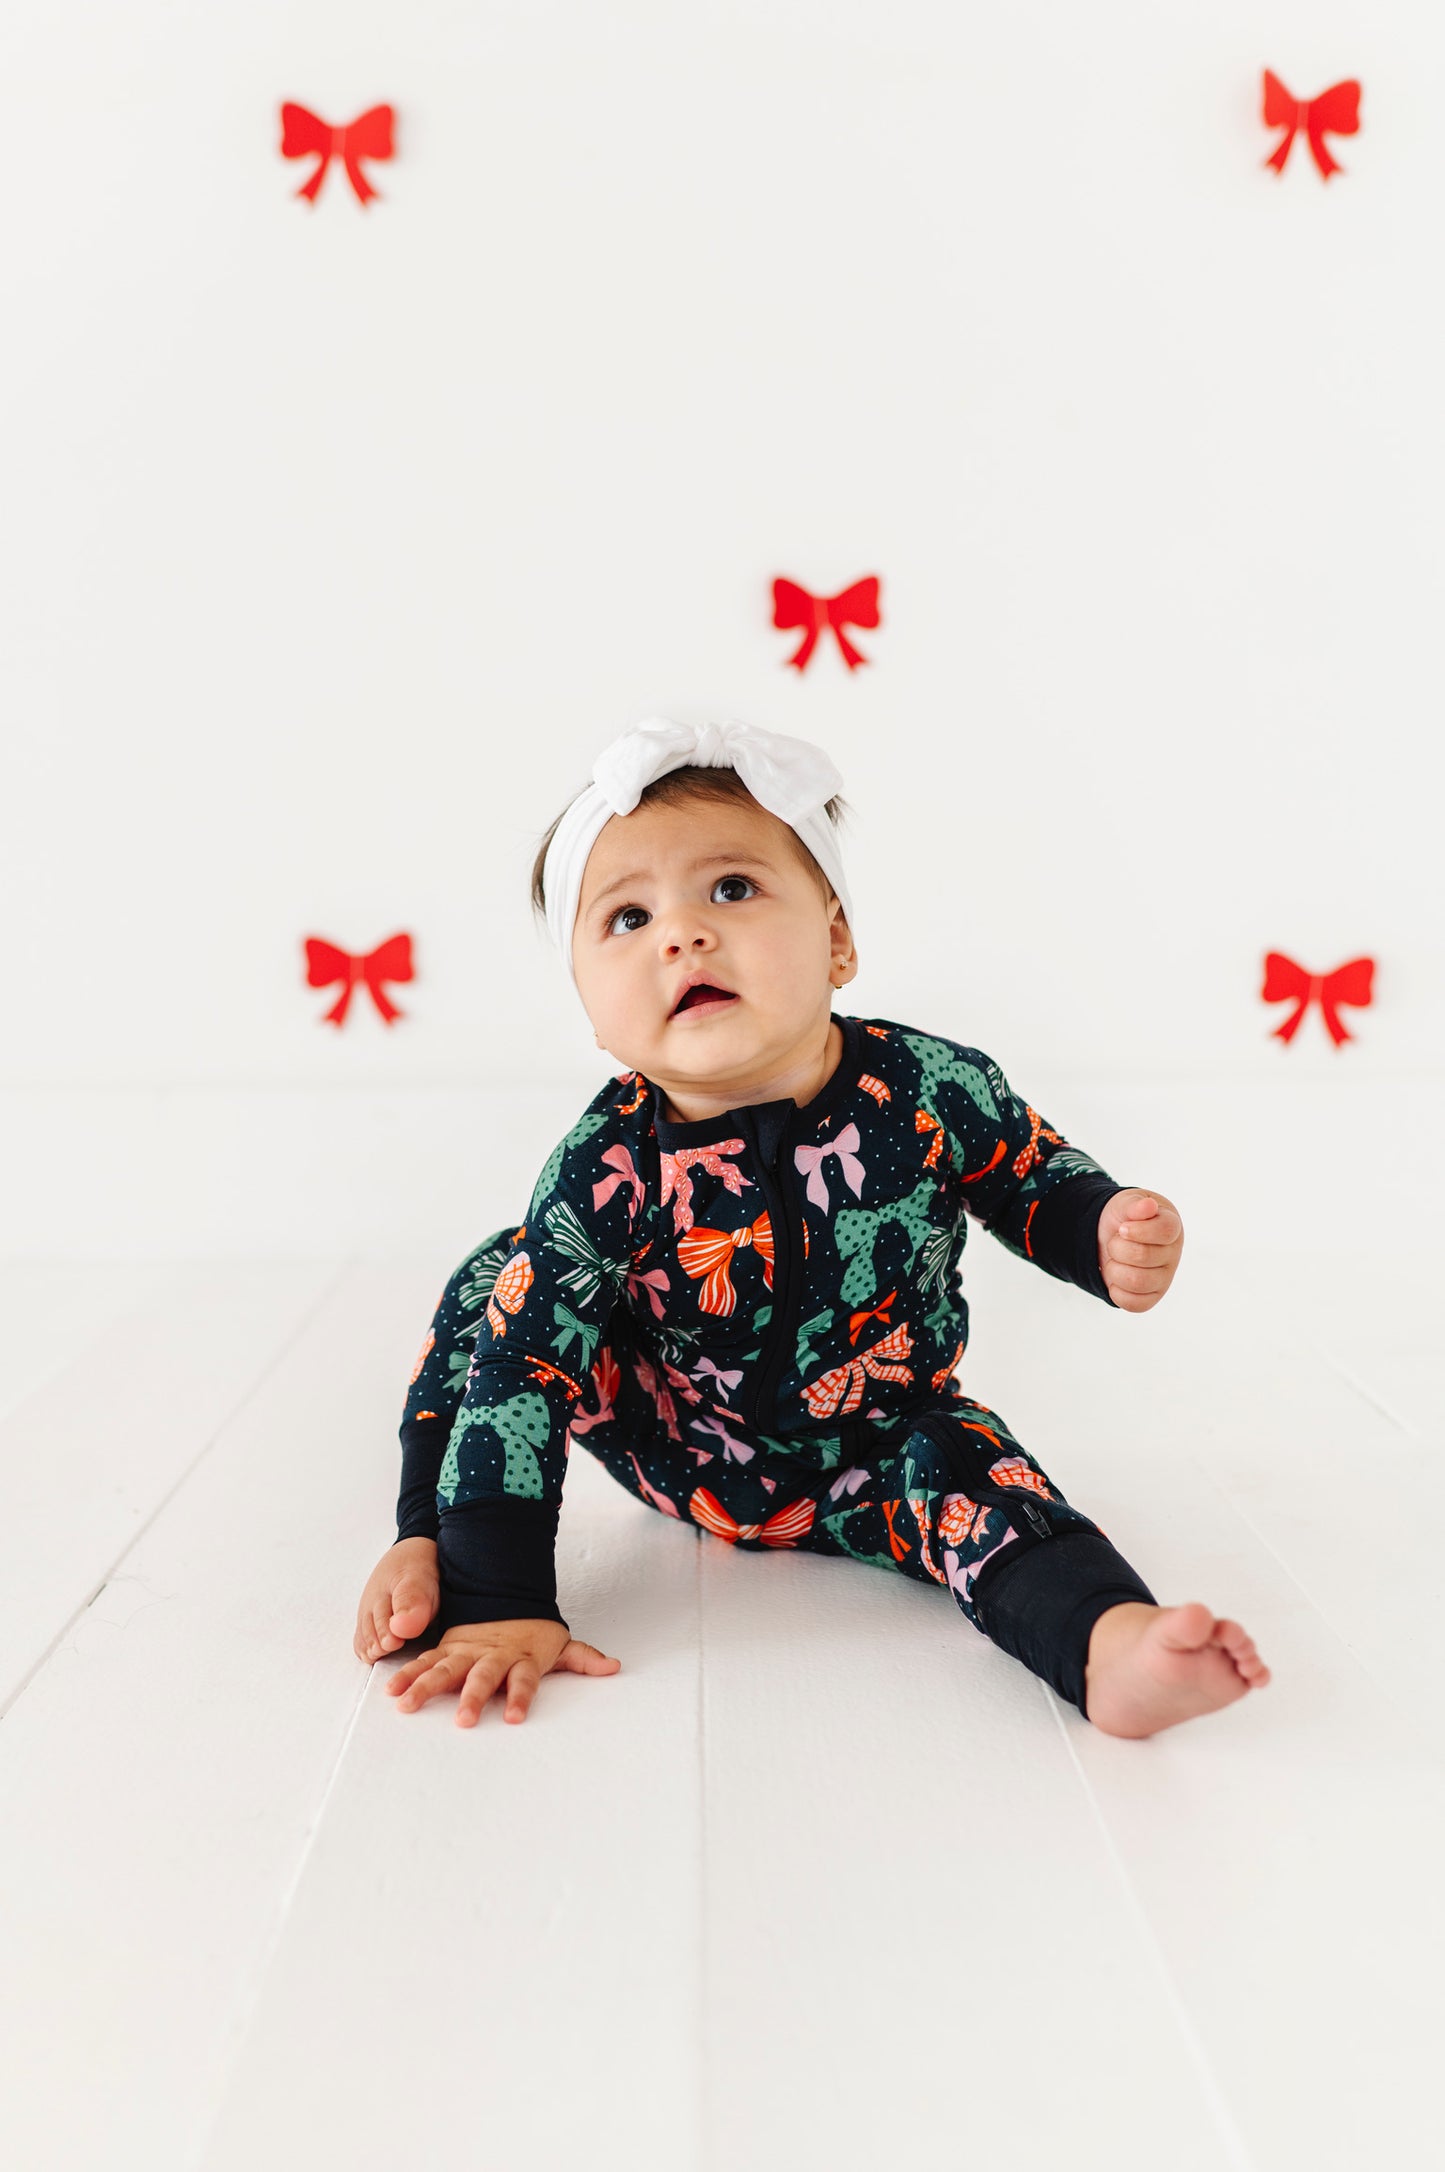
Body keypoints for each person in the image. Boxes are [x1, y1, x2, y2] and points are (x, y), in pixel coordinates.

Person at [353, 717, 1271, 1739]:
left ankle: (1107, 1643)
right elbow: (521, 1378)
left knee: (975, 1472)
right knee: (510, 1286)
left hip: (879, 1439)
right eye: (627, 917)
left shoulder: (924, 1086)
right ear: (592, 1013)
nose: (681, 934)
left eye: (730, 889)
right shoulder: (605, 1166)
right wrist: (499, 1592)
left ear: (836, 940)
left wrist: (1096, 1224)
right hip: (670, 1435)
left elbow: (1024, 1171)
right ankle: (430, 1535)